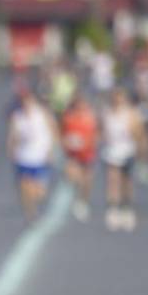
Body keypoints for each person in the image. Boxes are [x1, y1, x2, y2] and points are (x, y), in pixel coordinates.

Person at [8, 81, 58, 224]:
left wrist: (52, 150)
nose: (25, 103)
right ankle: (30, 213)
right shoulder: (17, 117)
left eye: (28, 99)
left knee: (39, 192)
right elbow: (12, 136)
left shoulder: (42, 113)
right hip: (23, 156)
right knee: (24, 187)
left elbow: (54, 132)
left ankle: (34, 204)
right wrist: (11, 150)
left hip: (40, 156)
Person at [100, 87, 146, 232]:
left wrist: (137, 144)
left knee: (126, 181)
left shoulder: (131, 114)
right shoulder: (106, 113)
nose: (117, 101)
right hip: (111, 152)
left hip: (127, 151)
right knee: (113, 179)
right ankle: (113, 208)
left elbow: (139, 132)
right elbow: (102, 131)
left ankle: (127, 207)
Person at [59, 93, 98, 223]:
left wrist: (91, 143)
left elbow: (96, 134)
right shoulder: (68, 118)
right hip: (73, 154)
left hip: (87, 153)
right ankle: (76, 198)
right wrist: (66, 143)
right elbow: (62, 134)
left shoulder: (90, 118)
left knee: (87, 180)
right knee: (74, 177)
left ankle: (83, 201)